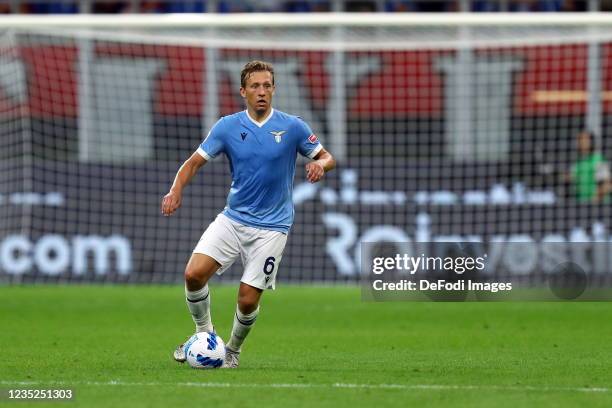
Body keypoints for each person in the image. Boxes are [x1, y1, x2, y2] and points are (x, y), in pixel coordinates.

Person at [161, 60, 336, 368]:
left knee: (247, 298)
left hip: (272, 227)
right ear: (243, 91)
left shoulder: (292, 126)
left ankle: (232, 351)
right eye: (255, 86)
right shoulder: (227, 126)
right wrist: (175, 191)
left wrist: (320, 164)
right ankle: (204, 335)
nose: (262, 92)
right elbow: (192, 163)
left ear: (274, 89)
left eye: (267, 85)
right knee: (193, 274)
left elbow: (326, 156)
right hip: (234, 218)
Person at [568, 130, 611, 203]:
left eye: (585, 139)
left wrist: (594, 200)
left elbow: (607, 185)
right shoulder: (577, 162)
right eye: (580, 139)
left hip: (598, 206)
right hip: (581, 205)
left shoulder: (598, 159)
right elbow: (571, 178)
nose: (582, 142)